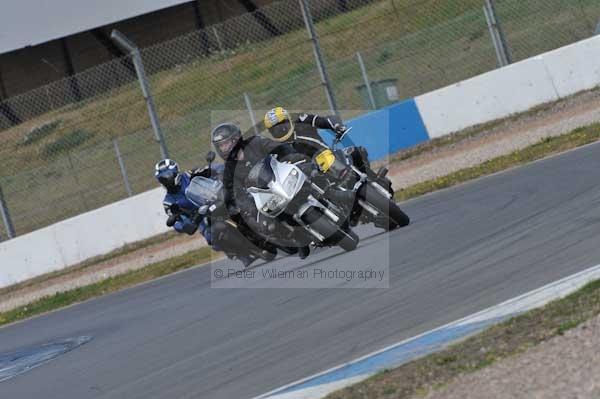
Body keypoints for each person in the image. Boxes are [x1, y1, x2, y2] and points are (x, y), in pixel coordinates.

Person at [211, 122, 312, 259]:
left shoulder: (255, 143)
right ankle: (299, 238)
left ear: (236, 139)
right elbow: (237, 194)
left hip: (282, 177)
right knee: (267, 225)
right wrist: (248, 208)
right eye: (221, 146)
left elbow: (278, 148)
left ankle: (336, 195)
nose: (224, 148)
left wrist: (293, 157)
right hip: (266, 197)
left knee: (310, 173)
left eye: (226, 143)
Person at [154, 158, 255, 267]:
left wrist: (220, 172)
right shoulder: (169, 202)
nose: (166, 181)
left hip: (215, 199)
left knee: (240, 197)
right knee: (212, 236)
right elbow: (176, 223)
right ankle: (241, 254)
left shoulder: (190, 174)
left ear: (175, 172)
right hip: (201, 218)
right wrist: (183, 224)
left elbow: (211, 169)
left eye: (168, 176)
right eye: (163, 179)